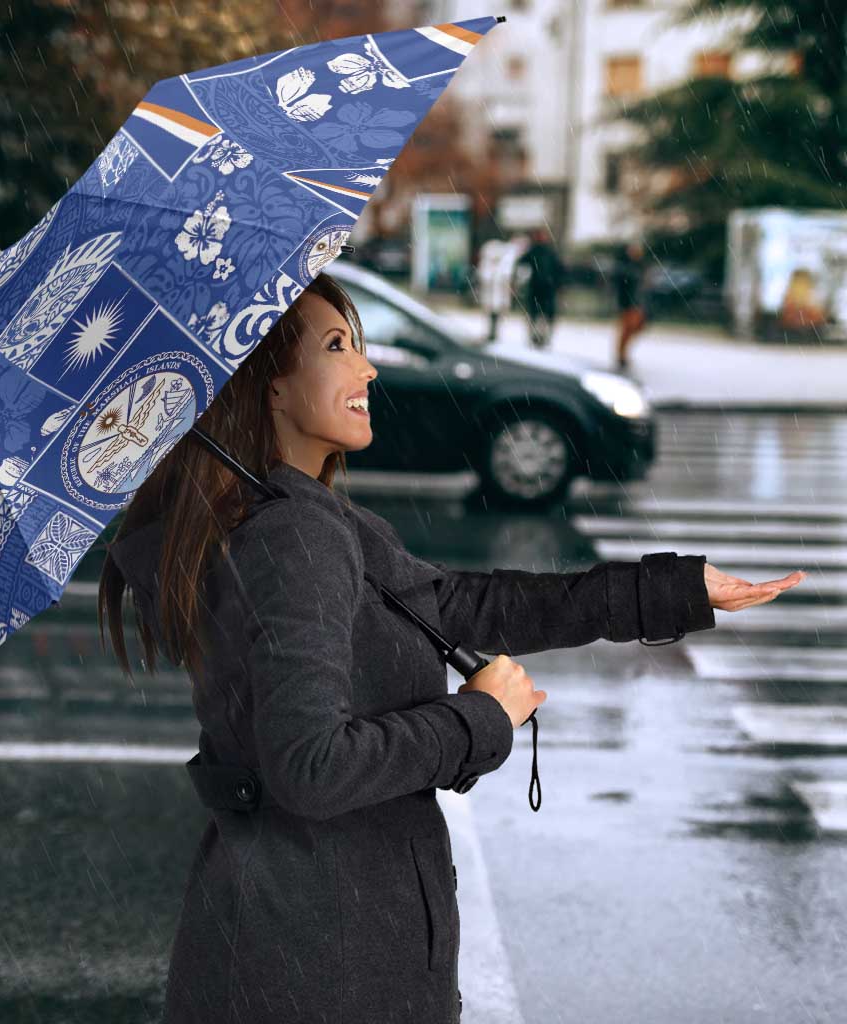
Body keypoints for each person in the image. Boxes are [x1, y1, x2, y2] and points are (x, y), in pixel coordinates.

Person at [100, 271, 805, 1024]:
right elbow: (310, 767)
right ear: (269, 386)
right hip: (320, 961)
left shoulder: (304, 519)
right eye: (337, 346)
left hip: (304, 941)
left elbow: (465, 605)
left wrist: (673, 590)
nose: (367, 368)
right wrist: (478, 719)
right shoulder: (293, 536)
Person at [515, 226, 565, 349]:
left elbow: (559, 270)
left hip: (546, 288)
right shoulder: (535, 251)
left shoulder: (548, 252)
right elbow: (521, 264)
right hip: (538, 288)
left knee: (543, 315)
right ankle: (536, 337)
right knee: (536, 314)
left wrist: (558, 284)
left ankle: (542, 337)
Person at [613, 239, 649, 371]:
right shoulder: (625, 267)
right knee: (627, 329)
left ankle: (623, 354)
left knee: (635, 328)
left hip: (637, 303)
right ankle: (621, 355)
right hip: (628, 303)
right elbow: (622, 286)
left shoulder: (640, 266)